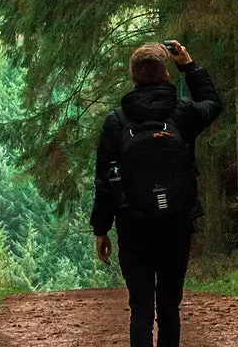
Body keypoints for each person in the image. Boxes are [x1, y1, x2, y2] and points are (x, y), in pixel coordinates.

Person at [91, 41, 224, 347]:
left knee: (140, 309)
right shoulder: (183, 113)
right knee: (168, 308)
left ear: (133, 78)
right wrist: (189, 66)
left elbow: (104, 179)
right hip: (176, 224)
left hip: (133, 225)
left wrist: (101, 229)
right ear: (166, 75)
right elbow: (212, 103)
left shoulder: (116, 121)